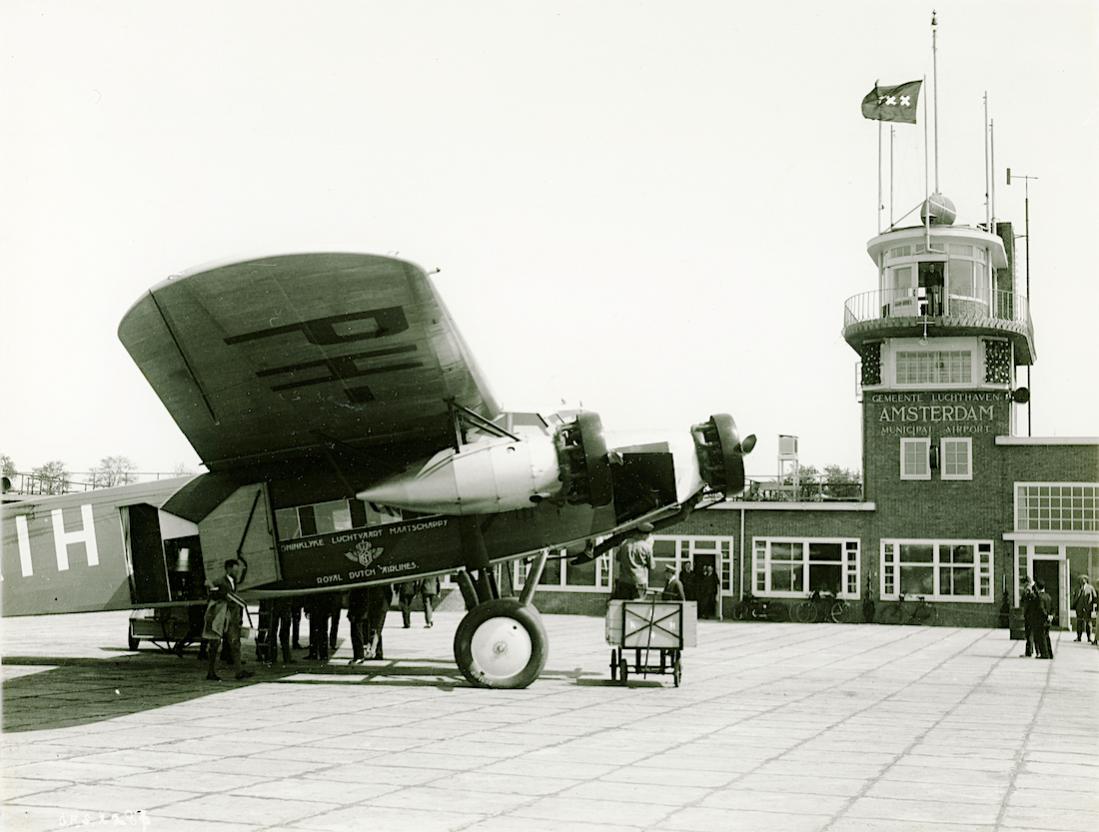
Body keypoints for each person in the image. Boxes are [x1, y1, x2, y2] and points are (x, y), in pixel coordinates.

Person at [201, 558, 254, 681]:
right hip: (221, 617)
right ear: (228, 569)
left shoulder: (234, 582)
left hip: (231, 618)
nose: (237, 572)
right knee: (214, 644)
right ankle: (211, 672)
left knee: (235, 644)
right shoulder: (219, 581)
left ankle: (239, 671)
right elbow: (211, 595)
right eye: (235, 569)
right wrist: (222, 595)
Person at [363, 584, 394, 660]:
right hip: (380, 606)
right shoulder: (386, 583)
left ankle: (373, 650)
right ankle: (378, 652)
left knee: (377, 629)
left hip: (379, 606)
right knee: (376, 629)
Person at [1071, 575, 1097, 643]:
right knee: (1079, 622)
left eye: (1083, 579)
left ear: (1086, 580)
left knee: (1088, 623)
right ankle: (1079, 637)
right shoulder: (1077, 588)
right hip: (1079, 608)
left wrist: (1093, 607)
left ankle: (1089, 637)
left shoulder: (1090, 588)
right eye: (1080, 579)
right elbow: (1074, 597)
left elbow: (1095, 597)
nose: (1082, 581)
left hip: (1087, 608)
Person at [347, 587, 369, 664]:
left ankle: (359, 656)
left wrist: (353, 613)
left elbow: (356, 601)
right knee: (355, 634)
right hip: (358, 614)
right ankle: (357, 656)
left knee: (357, 634)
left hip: (358, 614)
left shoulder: (359, 589)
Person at [1020, 576, 1039, 658]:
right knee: (1029, 634)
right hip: (1029, 615)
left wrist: (1029, 593)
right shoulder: (1030, 589)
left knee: (1032, 634)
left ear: (1027, 582)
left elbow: (1037, 600)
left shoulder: (1034, 589)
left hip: (1032, 615)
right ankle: (1031, 651)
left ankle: (1033, 652)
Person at [1036, 580, 1055, 660]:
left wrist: (1046, 616)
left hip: (1041, 620)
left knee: (1042, 637)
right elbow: (1053, 608)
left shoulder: (1039, 597)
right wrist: (1051, 616)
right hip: (1048, 620)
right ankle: (1050, 653)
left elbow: (1041, 608)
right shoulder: (1048, 596)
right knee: (1047, 636)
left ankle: (1044, 654)